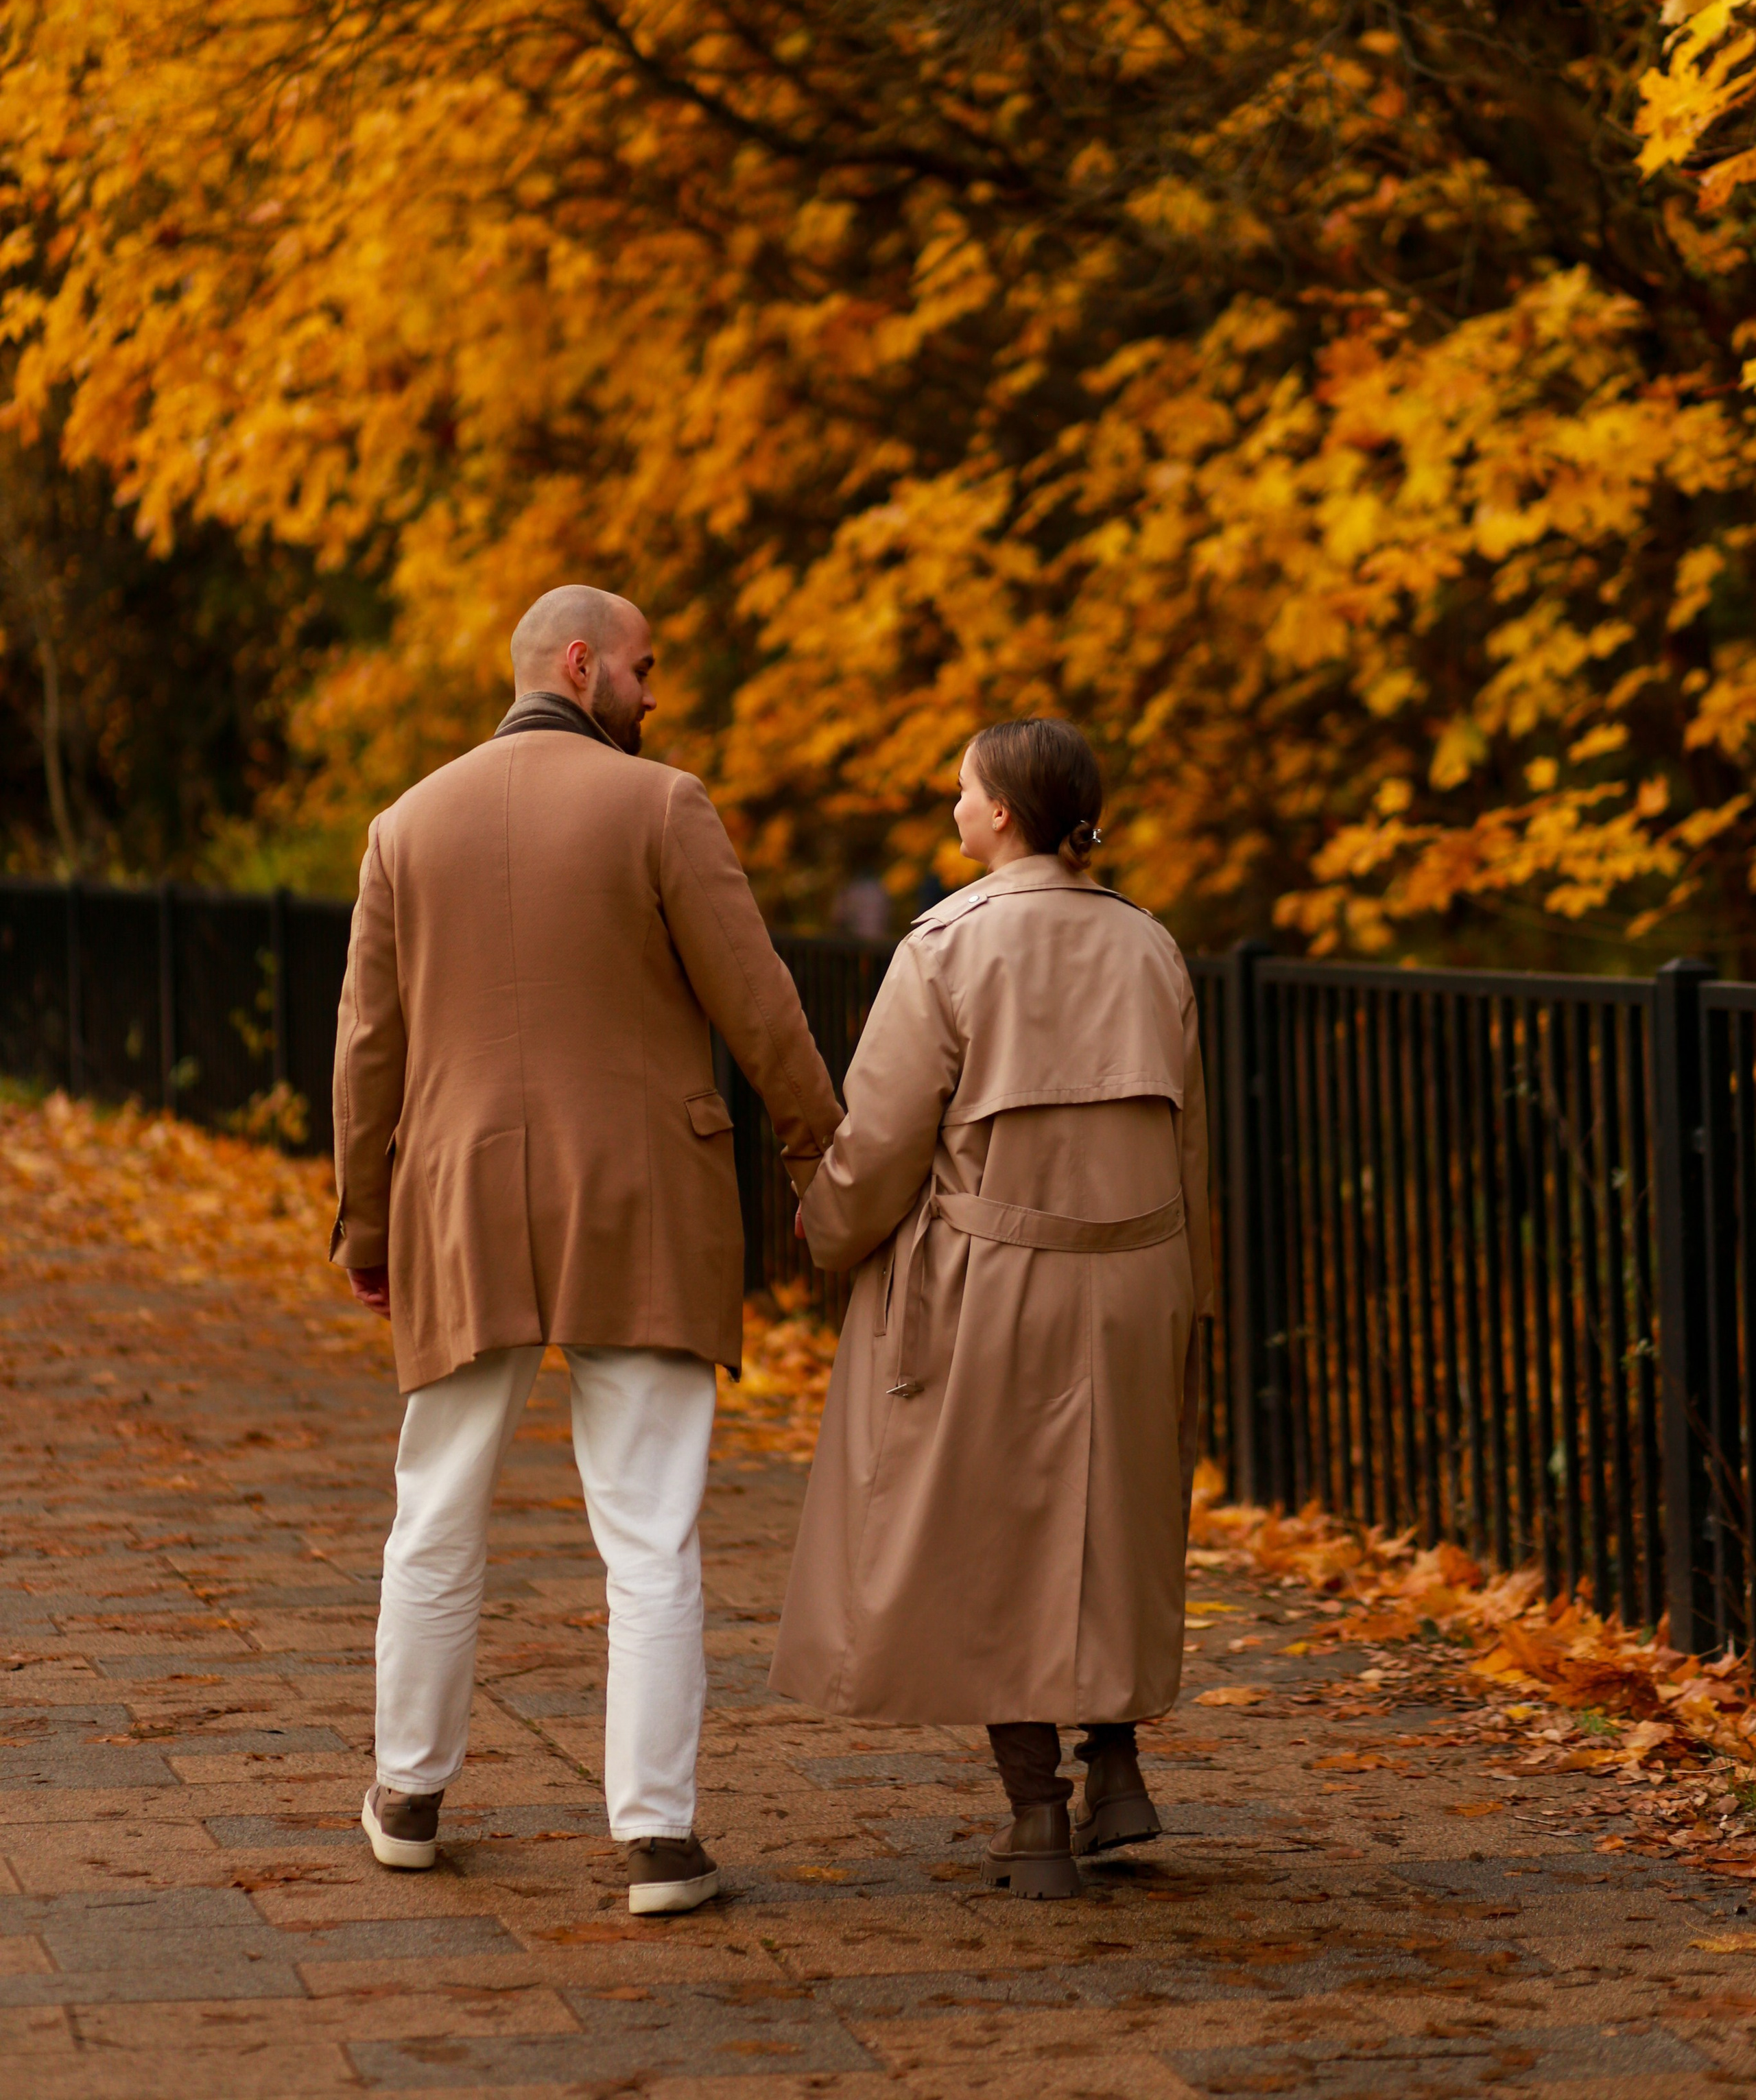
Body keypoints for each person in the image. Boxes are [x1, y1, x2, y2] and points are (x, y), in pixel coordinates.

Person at [331, 585, 842, 1914]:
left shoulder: (404, 826)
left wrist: (366, 1221)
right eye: (643, 668)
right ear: (579, 664)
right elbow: (760, 1005)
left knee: (434, 1510)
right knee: (650, 1528)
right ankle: (656, 1839)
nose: (653, 693)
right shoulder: (660, 806)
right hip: (640, 1199)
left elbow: (368, 1048)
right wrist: (822, 1161)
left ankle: (407, 1796)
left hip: (460, 1200)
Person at [769, 717, 1211, 1898]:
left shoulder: (946, 945)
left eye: (963, 791)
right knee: (1112, 1520)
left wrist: (828, 1222)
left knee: (992, 1530)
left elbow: (883, 1136)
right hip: (1140, 1275)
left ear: (1003, 813)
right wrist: (1190, 1296)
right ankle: (1118, 1767)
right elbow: (1191, 1147)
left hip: (994, 1275)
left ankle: (1036, 1814)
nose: (954, 807)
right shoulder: (1152, 947)